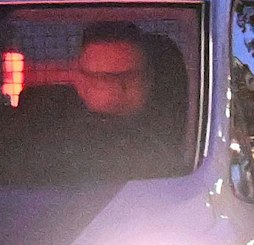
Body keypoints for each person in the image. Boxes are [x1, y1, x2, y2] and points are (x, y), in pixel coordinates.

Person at [57, 21, 187, 176]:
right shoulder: (53, 147)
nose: (117, 89)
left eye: (130, 77)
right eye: (103, 79)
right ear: (79, 81)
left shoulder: (190, 136)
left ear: (149, 78)